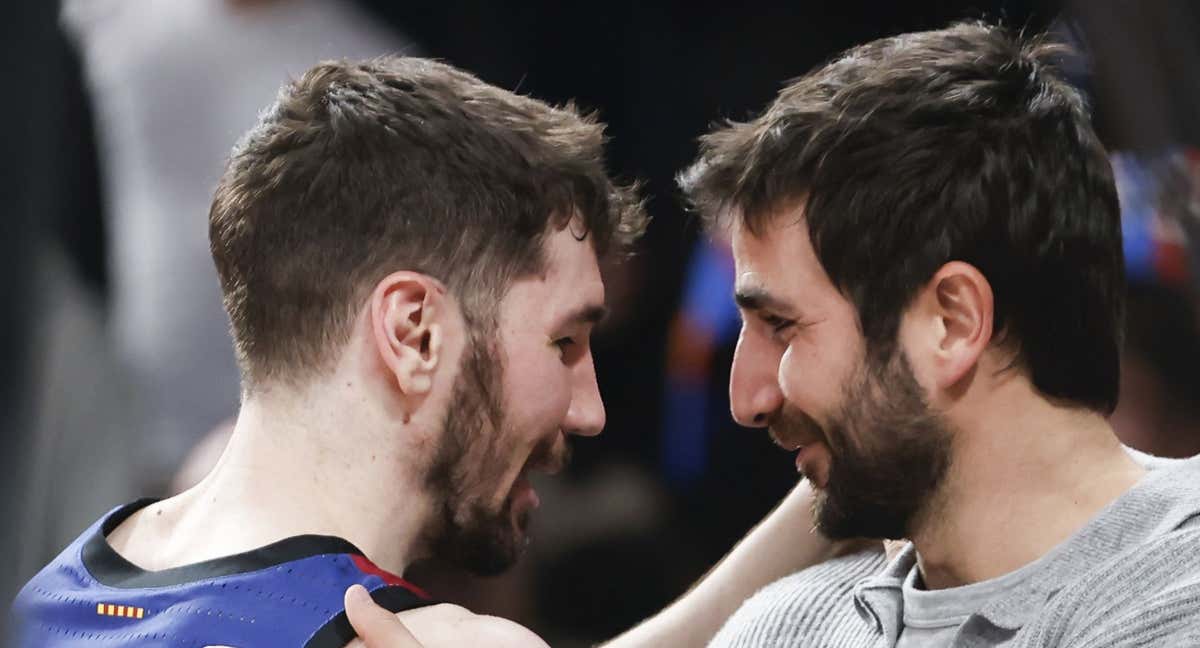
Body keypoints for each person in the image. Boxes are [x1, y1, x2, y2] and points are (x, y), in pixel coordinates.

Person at [348, 20, 1200, 648]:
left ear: (953, 322)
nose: (747, 398)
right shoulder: (792, 625)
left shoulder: (1176, 584)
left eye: (781, 327)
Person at [9, 55, 850, 648]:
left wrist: (830, 500)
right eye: (563, 341)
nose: (589, 410)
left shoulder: (49, 599)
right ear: (413, 332)